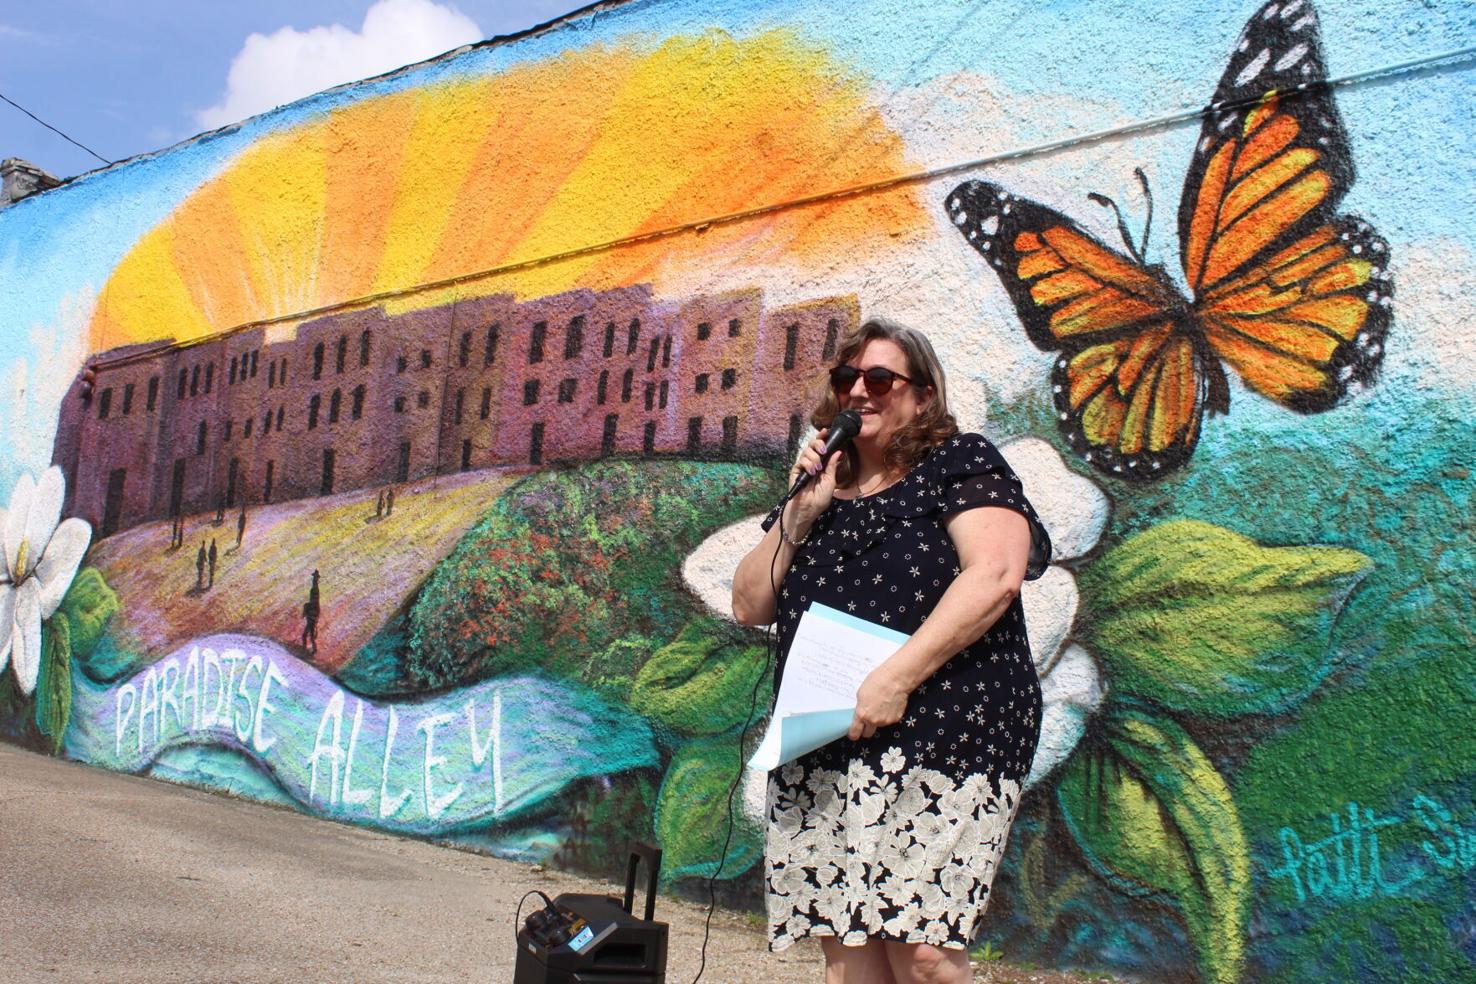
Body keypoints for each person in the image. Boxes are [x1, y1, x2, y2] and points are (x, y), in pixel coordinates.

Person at [731, 319, 1050, 984]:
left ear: (923, 397)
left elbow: (995, 572)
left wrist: (895, 678)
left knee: (924, 953)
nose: (859, 392)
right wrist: (799, 513)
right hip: (827, 733)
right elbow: (749, 604)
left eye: (880, 379)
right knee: (849, 950)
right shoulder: (820, 493)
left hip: (946, 730)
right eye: (847, 379)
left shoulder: (958, 463)